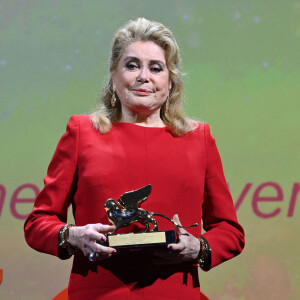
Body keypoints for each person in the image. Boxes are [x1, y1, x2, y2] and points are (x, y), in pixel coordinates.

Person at [24, 18, 245, 299]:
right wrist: (73, 236)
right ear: (114, 77)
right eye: (132, 65)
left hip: (175, 292)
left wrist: (200, 247)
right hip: (99, 292)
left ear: (170, 81)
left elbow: (229, 230)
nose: (144, 76)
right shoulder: (82, 132)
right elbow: (38, 222)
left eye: (156, 68)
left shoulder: (198, 138)